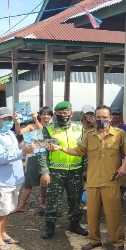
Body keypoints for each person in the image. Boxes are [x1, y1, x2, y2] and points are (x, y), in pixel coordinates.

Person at [50, 105, 126, 250]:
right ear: (94, 118)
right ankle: (94, 240)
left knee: (113, 213)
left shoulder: (119, 134)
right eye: (98, 117)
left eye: (104, 117)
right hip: (93, 180)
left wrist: (124, 167)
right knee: (91, 213)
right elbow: (78, 151)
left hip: (111, 181)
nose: (101, 120)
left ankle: (118, 243)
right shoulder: (89, 135)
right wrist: (60, 148)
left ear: (110, 118)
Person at [0, 107, 35, 250]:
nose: (7, 121)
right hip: (0, 180)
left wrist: (22, 146)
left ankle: (3, 233)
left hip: (13, 179)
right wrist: (22, 152)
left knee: (6, 210)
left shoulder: (10, 133)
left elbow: (14, 150)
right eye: (4, 119)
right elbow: (0, 158)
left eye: (9, 119)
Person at [38, 101, 89, 239]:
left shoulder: (80, 128)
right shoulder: (48, 129)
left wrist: (86, 169)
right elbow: (42, 151)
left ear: (71, 114)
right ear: (55, 115)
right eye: (59, 113)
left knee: (75, 199)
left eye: (65, 113)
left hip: (76, 171)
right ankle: (50, 225)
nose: (63, 115)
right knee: (53, 199)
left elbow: (84, 151)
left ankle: (74, 223)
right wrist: (44, 171)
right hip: (55, 171)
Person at [13, 106, 53, 213]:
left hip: (48, 157)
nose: (46, 116)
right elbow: (19, 132)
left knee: (45, 182)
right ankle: (21, 205)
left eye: (48, 114)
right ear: (39, 115)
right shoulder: (31, 126)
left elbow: (43, 133)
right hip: (34, 156)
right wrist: (17, 122)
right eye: (43, 114)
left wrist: (36, 120)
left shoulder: (53, 128)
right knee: (28, 183)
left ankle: (43, 202)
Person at [111, 107, 126, 202]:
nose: (115, 116)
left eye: (117, 114)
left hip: (122, 158)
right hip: (110, 158)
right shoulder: (106, 127)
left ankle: (120, 199)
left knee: (122, 181)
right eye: (113, 114)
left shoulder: (124, 129)